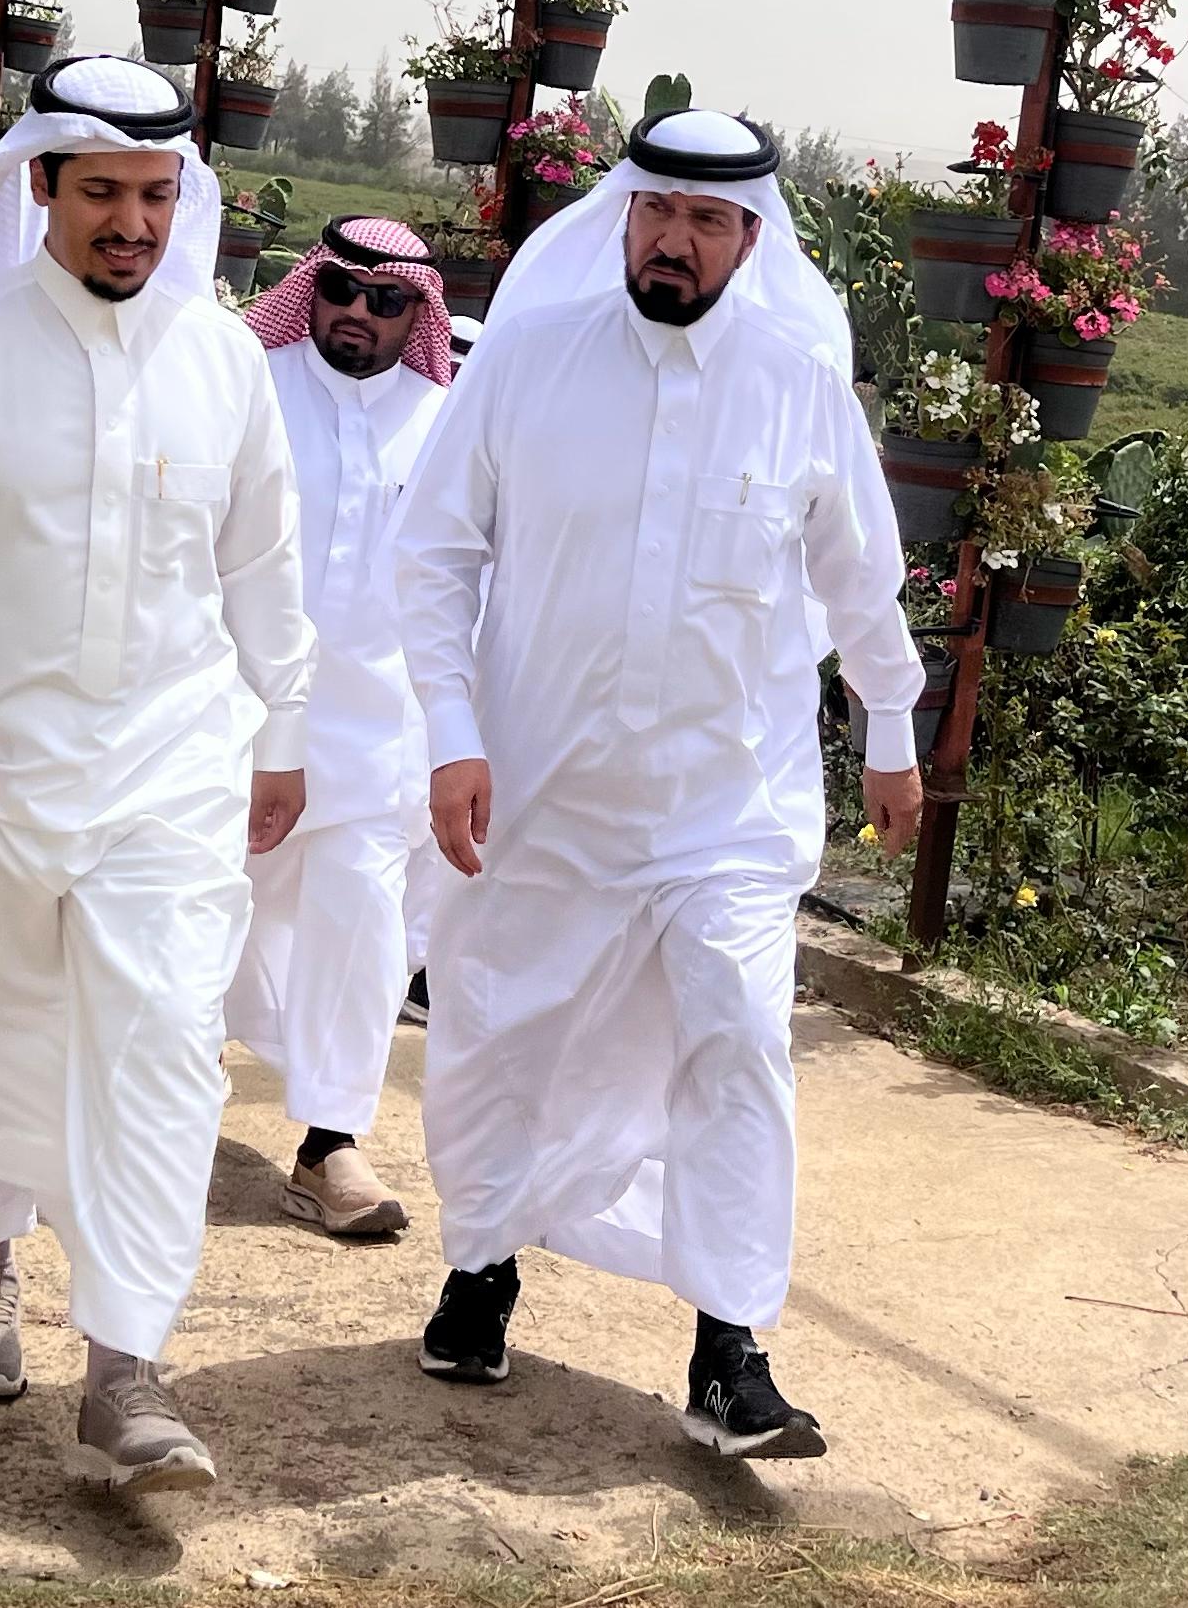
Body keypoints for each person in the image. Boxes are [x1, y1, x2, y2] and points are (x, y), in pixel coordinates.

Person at [0, 57, 312, 1494]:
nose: (130, 224)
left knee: (162, 1044)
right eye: (101, 194)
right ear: (40, 189)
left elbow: (264, 566)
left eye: (155, 195)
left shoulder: (221, 362)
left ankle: (128, 1367)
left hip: (170, 766)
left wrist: (285, 730)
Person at [392, 107, 926, 1460]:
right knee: (505, 1037)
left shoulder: (799, 386)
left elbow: (862, 574)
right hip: (540, 789)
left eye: (705, 221)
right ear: (623, 213)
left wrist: (892, 727)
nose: (673, 242)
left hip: (724, 805)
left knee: (736, 1039)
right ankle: (482, 1265)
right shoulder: (529, 362)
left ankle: (730, 1348)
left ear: (752, 237)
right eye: (655, 212)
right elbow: (435, 554)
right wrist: (451, 731)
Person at [223, 217, 455, 1239]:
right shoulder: (248, 386)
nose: (358, 312)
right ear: (309, 288)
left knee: (360, 935)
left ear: (417, 312)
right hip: (232, 718)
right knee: (201, 913)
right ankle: (152, 1105)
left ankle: (329, 1144)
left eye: (386, 300)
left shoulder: (442, 421)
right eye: (340, 290)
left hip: (371, 735)